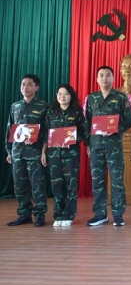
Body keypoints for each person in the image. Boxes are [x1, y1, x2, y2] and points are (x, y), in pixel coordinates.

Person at [84, 66, 131, 227]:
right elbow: (87, 122)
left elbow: (129, 119)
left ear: (113, 78)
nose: (104, 78)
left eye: (108, 75)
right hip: (96, 145)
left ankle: (118, 215)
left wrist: (116, 129)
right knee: (97, 181)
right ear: (97, 79)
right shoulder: (91, 98)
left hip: (114, 146)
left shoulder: (121, 97)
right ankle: (100, 214)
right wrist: (87, 144)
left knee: (117, 181)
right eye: (101, 75)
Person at [5, 74, 48, 227]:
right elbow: (10, 128)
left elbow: (47, 130)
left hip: (35, 152)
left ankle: (40, 213)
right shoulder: (15, 106)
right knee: (19, 185)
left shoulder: (43, 106)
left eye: (29, 84)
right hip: (18, 152)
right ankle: (24, 213)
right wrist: (9, 151)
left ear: (36, 87)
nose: (25, 87)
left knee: (37, 184)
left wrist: (40, 144)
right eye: (23, 84)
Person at [42, 84, 85, 227]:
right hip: (54, 154)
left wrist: (71, 140)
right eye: (59, 94)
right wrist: (43, 152)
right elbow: (46, 133)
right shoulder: (51, 112)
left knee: (71, 185)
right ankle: (58, 214)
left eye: (66, 94)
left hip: (71, 154)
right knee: (56, 185)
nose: (62, 97)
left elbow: (83, 131)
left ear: (71, 96)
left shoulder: (77, 112)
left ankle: (69, 215)